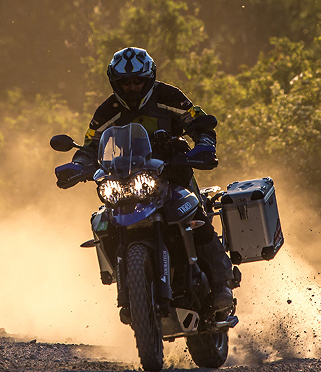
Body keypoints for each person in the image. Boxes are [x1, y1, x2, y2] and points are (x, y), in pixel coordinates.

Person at [72, 46, 234, 311]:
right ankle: (128, 286)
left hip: (173, 172)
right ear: (115, 83)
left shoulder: (168, 96)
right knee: (104, 221)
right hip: (126, 180)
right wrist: (78, 165)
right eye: (125, 83)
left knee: (194, 214)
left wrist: (204, 145)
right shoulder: (108, 111)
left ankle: (221, 283)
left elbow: (199, 121)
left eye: (138, 81)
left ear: (149, 78)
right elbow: (90, 144)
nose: (132, 87)